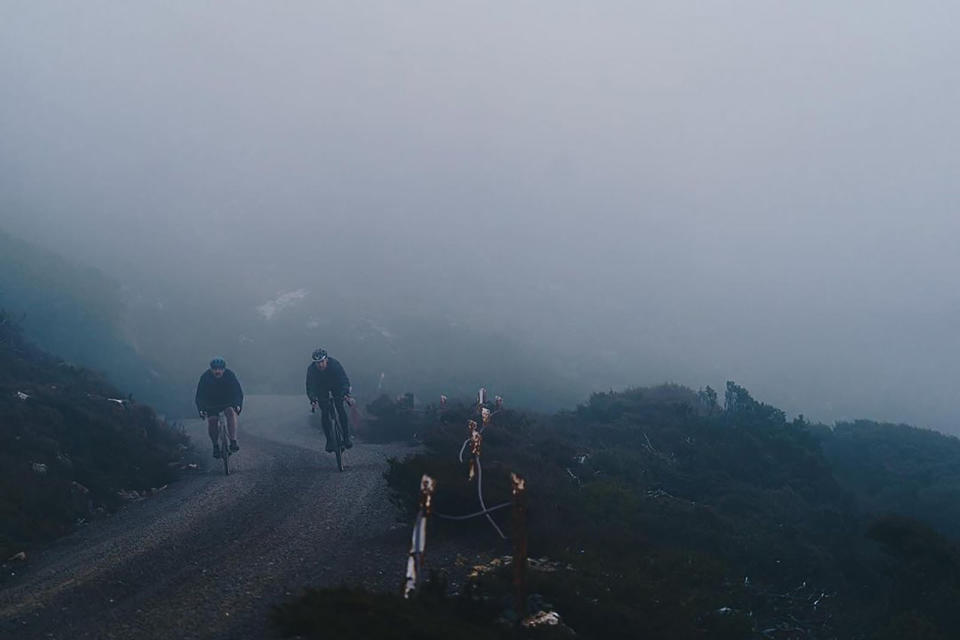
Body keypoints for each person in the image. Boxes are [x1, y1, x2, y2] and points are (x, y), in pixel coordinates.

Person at [305, 348, 353, 451]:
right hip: (321, 388)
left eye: (322, 362)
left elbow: (344, 380)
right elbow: (310, 386)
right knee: (325, 412)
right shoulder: (312, 370)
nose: (320, 365)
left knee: (340, 408)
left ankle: (346, 437)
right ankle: (329, 440)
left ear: (326, 360)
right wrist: (313, 399)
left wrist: (345, 393)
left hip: (336, 385)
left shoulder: (335, 365)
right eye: (317, 363)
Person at [195, 357, 244, 458]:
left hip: (227, 402)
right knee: (212, 421)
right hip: (211, 403)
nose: (217, 371)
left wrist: (238, 405)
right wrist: (201, 409)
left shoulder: (230, 375)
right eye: (215, 369)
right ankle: (215, 446)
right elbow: (200, 395)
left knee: (231, 412)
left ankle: (233, 441)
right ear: (211, 369)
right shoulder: (205, 377)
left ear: (224, 369)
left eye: (220, 369)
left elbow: (237, 391)